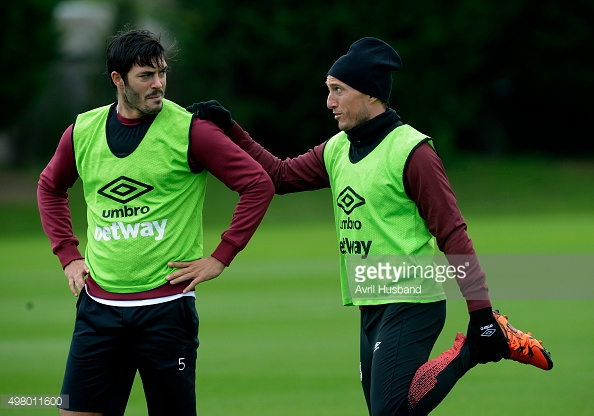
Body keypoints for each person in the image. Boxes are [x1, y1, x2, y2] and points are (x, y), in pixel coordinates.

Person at [189, 37, 553, 415]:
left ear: (371, 95)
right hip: (371, 303)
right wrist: (232, 129)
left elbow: (453, 234)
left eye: (338, 91)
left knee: (390, 411)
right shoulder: (337, 149)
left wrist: (481, 314)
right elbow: (280, 175)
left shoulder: (412, 152)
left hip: (412, 299)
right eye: (328, 91)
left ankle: (472, 348)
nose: (329, 102)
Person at [37, 27, 274, 416]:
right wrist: (68, 254)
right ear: (118, 79)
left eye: (162, 73)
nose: (158, 84)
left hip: (165, 310)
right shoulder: (82, 131)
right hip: (98, 307)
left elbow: (257, 184)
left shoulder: (191, 131)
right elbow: (49, 187)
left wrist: (221, 256)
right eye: (146, 75)